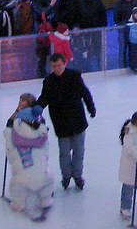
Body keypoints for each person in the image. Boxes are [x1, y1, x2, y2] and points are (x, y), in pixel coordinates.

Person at [36, 52, 96, 190]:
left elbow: (85, 93)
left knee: (78, 151)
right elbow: (44, 97)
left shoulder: (75, 76)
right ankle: (66, 176)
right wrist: (37, 107)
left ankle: (78, 176)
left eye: (59, 65)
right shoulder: (49, 81)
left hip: (78, 121)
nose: (56, 69)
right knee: (64, 153)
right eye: (54, 66)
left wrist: (91, 108)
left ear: (64, 64)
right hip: (61, 122)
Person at [5, 104, 55, 222]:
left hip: (22, 180)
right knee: (47, 178)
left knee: (16, 184)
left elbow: (11, 158)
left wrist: (8, 135)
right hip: (45, 177)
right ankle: (45, 200)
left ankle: (19, 203)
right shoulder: (42, 139)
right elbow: (46, 155)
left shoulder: (14, 141)